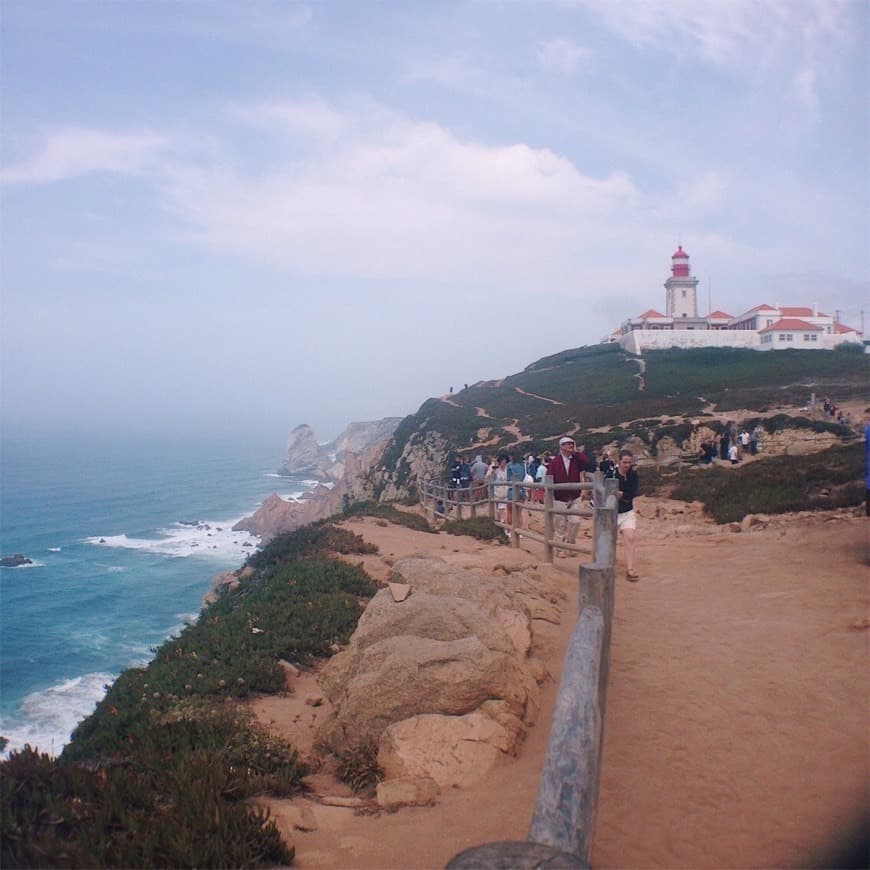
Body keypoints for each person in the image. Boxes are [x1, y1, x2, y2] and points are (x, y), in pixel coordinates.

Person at [549, 436, 592, 550]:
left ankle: (570, 543)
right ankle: (560, 548)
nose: (571, 446)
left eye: (572, 443)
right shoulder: (555, 462)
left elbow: (586, 462)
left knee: (575, 521)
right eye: (568, 444)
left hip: (574, 496)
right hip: (559, 497)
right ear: (562, 446)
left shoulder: (576, 460)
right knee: (560, 524)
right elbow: (549, 478)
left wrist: (577, 452)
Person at [614, 448, 640, 580]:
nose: (627, 465)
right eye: (624, 462)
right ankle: (607, 564)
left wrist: (621, 494)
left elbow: (633, 493)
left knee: (630, 538)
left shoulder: (633, 475)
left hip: (627, 510)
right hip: (612, 513)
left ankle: (630, 569)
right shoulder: (611, 474)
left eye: (629, 462)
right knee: (609, 541)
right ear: (619, 461)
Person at [487, 453, 510, 526]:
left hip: (507, 491)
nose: (503, 464)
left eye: (505, 462)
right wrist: (492, 471)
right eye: (502, 462)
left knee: (507, 509)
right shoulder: (496, 470)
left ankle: (504, 522)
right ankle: (502, 522)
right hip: (499, 492)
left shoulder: (508, 470)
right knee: (501, 508)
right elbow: (488, 477)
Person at [506, 451, 527, 528]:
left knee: (510, 511)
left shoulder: (509, 465)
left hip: (512, 489)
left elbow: (508, 478)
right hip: (521, 488)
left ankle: (509, 530)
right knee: (519, 513)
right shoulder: (523, 464)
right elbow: (524, 475)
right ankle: (519, 530)